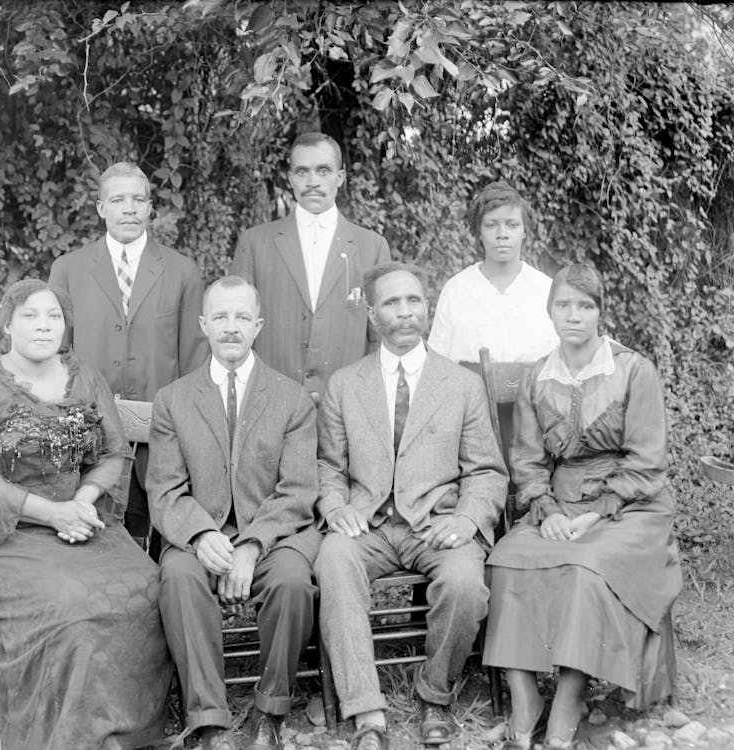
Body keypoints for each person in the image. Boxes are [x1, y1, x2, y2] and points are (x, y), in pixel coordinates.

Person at [0, 279, 170, 750]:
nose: (44, 326)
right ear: (6, 325)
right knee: (70, 605)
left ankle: (124, 731)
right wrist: (52, 513)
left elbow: (115, 452)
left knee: (147, 589)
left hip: (79, 521)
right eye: (30, 316)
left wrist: (82, 500)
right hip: (3, 536)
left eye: (54, 317)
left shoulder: (86, 378)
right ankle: (63, 734)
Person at [483, 264, 681, 750]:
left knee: (586, 565)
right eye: (563, 305)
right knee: (506, 558)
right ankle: (525, 697)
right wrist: (548, 510)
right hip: (560, 502)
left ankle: (569, 699)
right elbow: (528, 461)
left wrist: (596, 512)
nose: (573, 315)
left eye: (585, 306)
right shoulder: (537, 377)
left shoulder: (633, 370)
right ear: (550, 312)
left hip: (631, 505)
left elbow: (647, 462)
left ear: (599, 312)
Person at [314, 262, 508, 750]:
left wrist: (467, 518)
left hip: (437, 523)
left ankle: (434, 694)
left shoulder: (461, 384)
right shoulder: (345, 384)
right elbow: (328, 466)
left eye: (414, 300)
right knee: (333, 560)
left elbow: (487, 471)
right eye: (392, 303)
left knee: (465, 583)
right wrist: (335, 506)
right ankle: (366, 709)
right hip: (369, 525)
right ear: (372, 316)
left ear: (427, 307)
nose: (405, 312)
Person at [147, 276, 321, 750]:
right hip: (198, 536)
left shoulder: (292, 398)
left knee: (292, 582)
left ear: (258, 325)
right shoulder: (173, 400)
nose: (231, 327)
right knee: (178, 578)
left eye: (242, 317)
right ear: (203, 324)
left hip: (273, 537)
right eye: (220, 316)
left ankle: (270, 710)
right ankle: (209, 720)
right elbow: (164, 489)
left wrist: (251, 545)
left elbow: (298, 491)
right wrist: (202, 536)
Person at [48, 161, 208, 545]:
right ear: (101, 207)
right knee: (93, 545)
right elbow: (56, 357)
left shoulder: (182, 272)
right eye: (118, 200)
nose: (129, 209)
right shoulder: (68, 269)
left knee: (155, 546)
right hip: (88, 440)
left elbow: (195, 360)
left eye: (139, 199)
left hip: (160, 442)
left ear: (151, 207)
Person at [231, 132, 391, 402]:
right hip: (270, 403)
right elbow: (238, 330)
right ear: (290, 178)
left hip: (347, 405)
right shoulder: (255, 243)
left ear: (340, 177)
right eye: (302, 171)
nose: (312, 181)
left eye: (323, 171)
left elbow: (380, 337)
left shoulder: (372, 247)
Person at [428, 180, 558, 365]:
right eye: (491, 225)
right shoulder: (457, 290)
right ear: (479, 232)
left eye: (512, 225)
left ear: (525, 231)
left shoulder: (546, 289)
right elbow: (437, 363)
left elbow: (564, 361)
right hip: (466, 384)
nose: (502, 234)